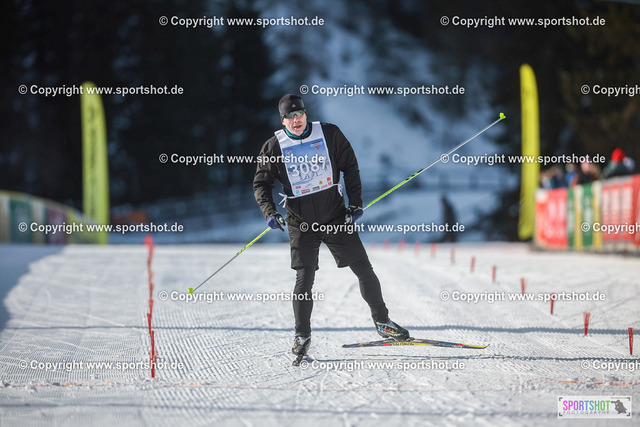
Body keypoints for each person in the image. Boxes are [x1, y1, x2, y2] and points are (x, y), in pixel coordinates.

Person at [253, 94, 409, 358]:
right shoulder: (273, 147)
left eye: (300, 114)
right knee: (304, 279)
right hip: (300, 223)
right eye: (290, 116)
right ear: (283, 121)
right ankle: (302, 336)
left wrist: (355, 203)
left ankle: (383, 322)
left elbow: (350, 167)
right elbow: (261, 184)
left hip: (335, 217)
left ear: (305, 114)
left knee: (363, 269)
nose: (296, 120)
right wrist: (270, 212)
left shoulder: (329, 134)